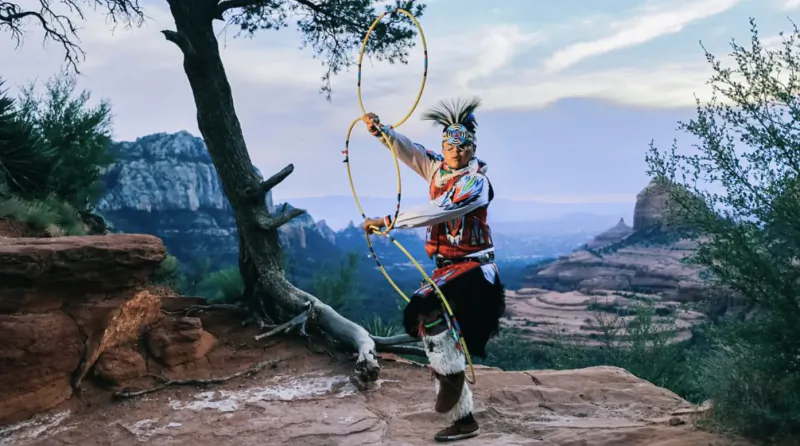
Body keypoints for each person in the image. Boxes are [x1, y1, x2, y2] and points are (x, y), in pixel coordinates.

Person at [361, 97, 506, 443]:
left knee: (426, 309)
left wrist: (388, 221)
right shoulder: (437, 169)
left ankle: (453, 382)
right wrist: (382, 132)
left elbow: (440, 210)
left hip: (474, 269)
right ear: (445, 145)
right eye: (450, 144)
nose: (455, 150)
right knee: (429, 322)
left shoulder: (477, 183)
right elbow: (410, 152)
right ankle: (462, 414)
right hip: (448, 269)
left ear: (472, 147)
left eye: (462, 145)